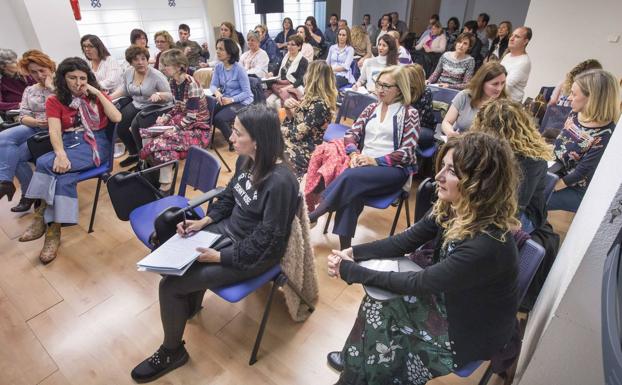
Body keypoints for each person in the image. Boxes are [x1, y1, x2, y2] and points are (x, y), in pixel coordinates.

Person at [325, 132, 520, 385]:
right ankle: (358, 365)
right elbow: (405, 241)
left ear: (479, 183)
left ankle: (363, 369)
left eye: (450, 171)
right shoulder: (454, 207)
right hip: (450, 298)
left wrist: (350, 271)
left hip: (466, 331)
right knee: (375, 304)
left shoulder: (487, 244)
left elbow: (420, 283)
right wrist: (355, 253)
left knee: (392, 339)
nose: (437, 176)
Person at [130, 104, 299, 383]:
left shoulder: (281, 182)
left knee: (169, 286)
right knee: (173, 263)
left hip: (252, 254)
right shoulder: (247, 159)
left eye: (237, 133)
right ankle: (190, 302)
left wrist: (221, 258)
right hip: (228, 232)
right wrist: (204, 223)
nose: (231, 138)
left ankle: (172, 352)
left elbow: (268, 242)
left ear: (258, 139)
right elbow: (230, 197)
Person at [19, 57, 121, 264]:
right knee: (64, 177)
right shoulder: (55, 100)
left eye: (83, 78)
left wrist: (98, 94)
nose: (78, 82)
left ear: (88, 79)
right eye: (72, 77)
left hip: (95, 145)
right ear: (63, 79)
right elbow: (55, 130)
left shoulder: (95, 96)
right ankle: (53, 229)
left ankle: (39, 215)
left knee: (43, 163)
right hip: (68, 142)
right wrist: (61, 153)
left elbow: (117, 118)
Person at [308, 65, 420, 249]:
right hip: (363, 169)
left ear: (399, 89)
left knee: (351, 177)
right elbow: (351, 134)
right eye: (378, 84)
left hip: (392, 171)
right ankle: (345, 251)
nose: (380, 89)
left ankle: (312, 216)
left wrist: (375, 161)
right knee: (353, 192)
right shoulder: (371, 108)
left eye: (386, 86)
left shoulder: (409, 114)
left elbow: (407, 152)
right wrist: (354, 153)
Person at [471, 99, 553, 233]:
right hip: (491, 204)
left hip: (521, 214)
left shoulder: (533, 161)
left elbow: (515, 208)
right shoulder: (488, 149)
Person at [548, 69, 620, 213]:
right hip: (556, 171)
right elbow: (560, 144)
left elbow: (581, 172)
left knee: (533, 198)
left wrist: (547, 187)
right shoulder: (576, 113)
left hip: (574, 188)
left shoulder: (605, 134)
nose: (568, 98)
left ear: (593, 98)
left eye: (574, 94)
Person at [140, 49, 211, 193]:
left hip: (198, 129)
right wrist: (165, 118)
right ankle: (156, 174)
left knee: (163, 142)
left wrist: (174, 128)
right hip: (185, 122)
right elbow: (177, 107)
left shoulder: (192, 85)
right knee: (148, 134)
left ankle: (165, 185)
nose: (163, 68)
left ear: (179, 66)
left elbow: (191, 117)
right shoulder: (173, 82)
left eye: (166, 65)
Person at [0, 50, 55, 212]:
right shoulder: (29, 90)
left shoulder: (62, 84)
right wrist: (36, 121)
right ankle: (5, 182)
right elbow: (23, 115)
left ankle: (29, 194)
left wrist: (51, 86)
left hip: (58, 129)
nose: (38, 75)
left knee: (16, 156)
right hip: (34, 125)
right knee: (2, 138)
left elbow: (70, 105)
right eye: (33, 72)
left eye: (42, 70)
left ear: (49, 67)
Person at [109, 45, 173, 168]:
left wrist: (159, 94)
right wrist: (109, 97)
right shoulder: (128, 72)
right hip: (137, 103)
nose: (140, 62)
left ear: (147, 59)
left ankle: (145, 159)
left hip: (156, 106)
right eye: (136, 59)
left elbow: (171, 96)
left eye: (143, 59)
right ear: (130, 62)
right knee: (119, 125)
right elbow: (125, 89)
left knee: (135, 126)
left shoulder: (156, 75)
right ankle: (135, 154)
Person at [283, 60, 337, 179]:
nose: (305, 76)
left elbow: (296, 135)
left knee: (271, 149)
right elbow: (294, 123)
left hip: (307, 150)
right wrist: (287, 109)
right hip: (298, 143)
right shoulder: (309, 98)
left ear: (314, 77)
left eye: (308, 72)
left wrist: (277, 130)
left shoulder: (319, 105)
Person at [441, 62, 507, 136]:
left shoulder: (504, 105)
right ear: (481, 83)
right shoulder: (464, 96)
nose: (499, 88)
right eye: (495, 84)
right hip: (459, 141)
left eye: (503, 83)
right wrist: (450, 132)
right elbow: (447, 122)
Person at [209, 38, 253, 151]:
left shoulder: (239, 69)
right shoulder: (219, 67)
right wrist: (217, 93)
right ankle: (232, 132)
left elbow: (247, 93)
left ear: (229, 53)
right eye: (217, 48)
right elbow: (213, 85)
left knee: (219, 119)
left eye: (221, 49)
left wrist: (231, 100)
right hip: (225, 99)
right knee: (209, 113)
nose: (217, 51)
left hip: (242, 101)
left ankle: (234, 142)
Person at [268, 35, 309, 108]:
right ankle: (272, 119)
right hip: (281, 84)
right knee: (269, 101)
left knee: (278, 103)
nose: (289, 47)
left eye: (293, 45)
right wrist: (271, 73)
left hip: (294, 86)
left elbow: (301, 80)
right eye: (288, 44)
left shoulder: (303, 61)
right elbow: (277, 69)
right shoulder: (285, 57)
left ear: (299, 47)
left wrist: (288, 87)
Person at [404, 64, 436, 148]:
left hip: (422, 126)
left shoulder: (426, 92)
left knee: (404, 133)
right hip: (404, 124)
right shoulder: (400, 90)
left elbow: (418, 119)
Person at [500, 26, 532, 102]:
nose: (511, 39)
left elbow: (505, 86)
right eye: (512, 35)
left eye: (517, 37)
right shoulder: (508, 55)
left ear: (525, 41)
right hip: (498, 99)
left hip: (509, 105)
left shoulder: (524, 62)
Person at [0, 49, 34, 117]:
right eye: (13, 62)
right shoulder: (2, 83)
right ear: (3, 66)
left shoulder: (27, 74)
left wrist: (26, 76)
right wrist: (19, 104)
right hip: (20, 114)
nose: (18, 63)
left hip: (38, 107)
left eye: (16, 60)